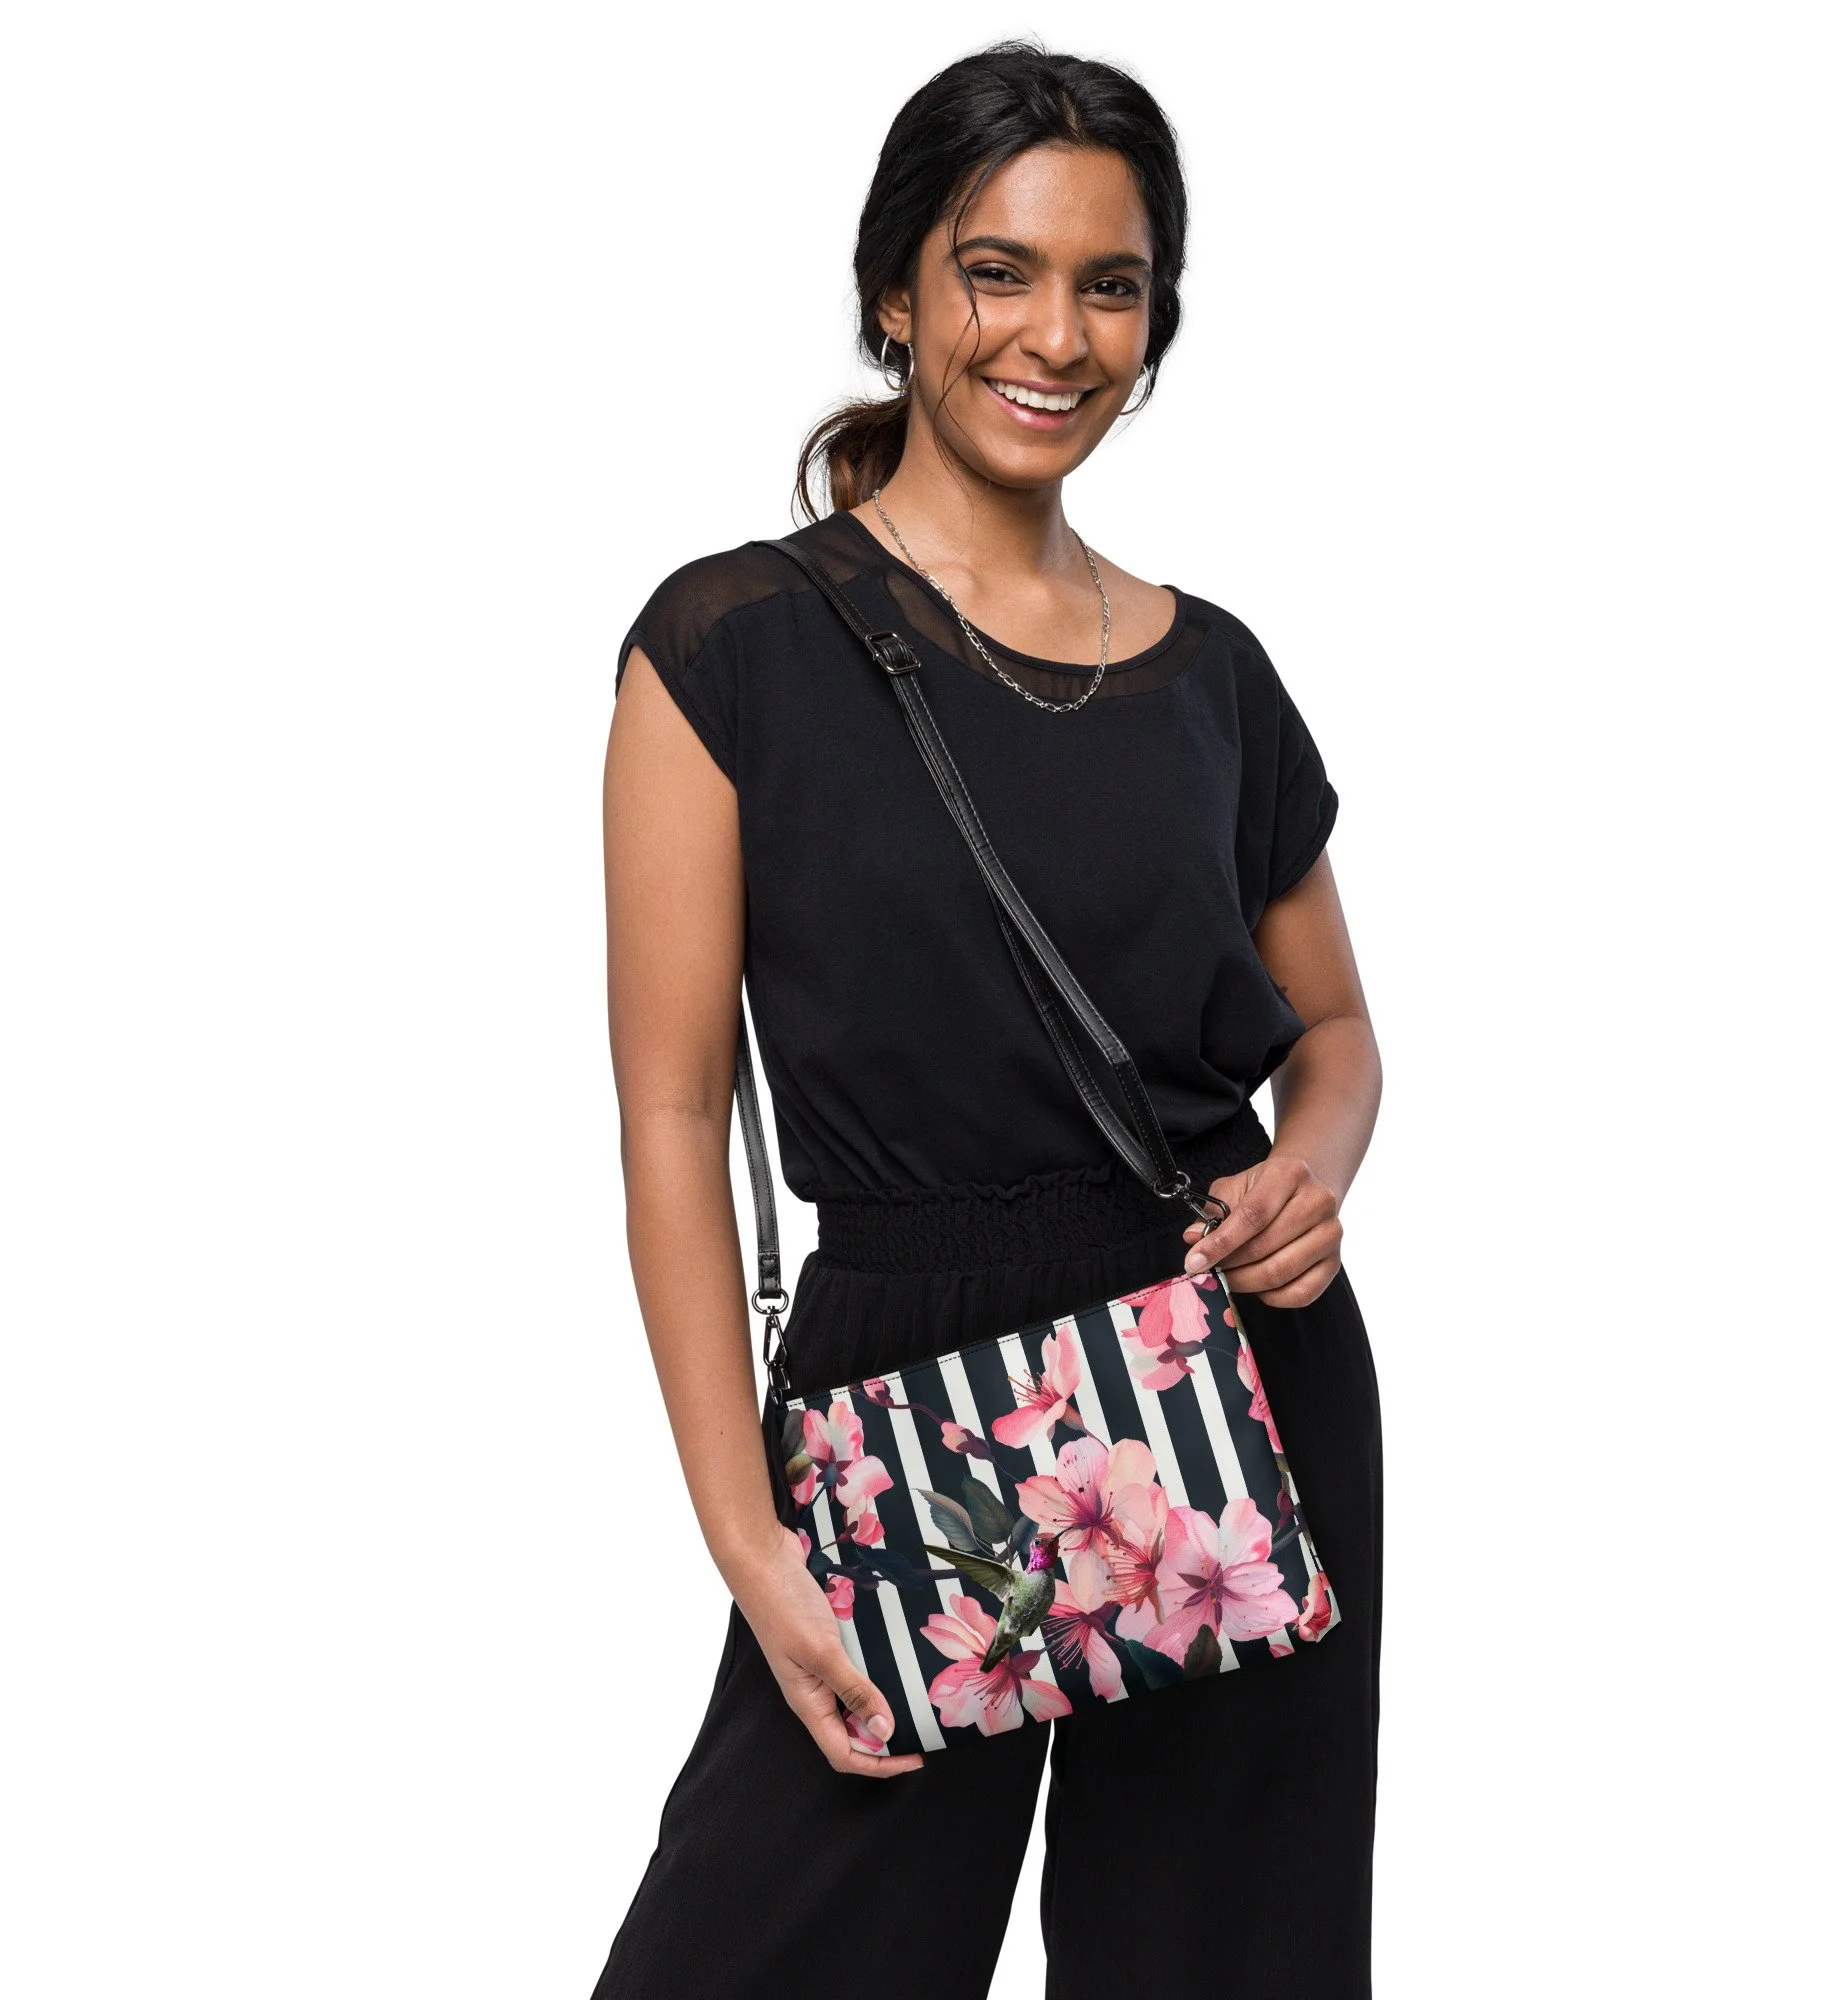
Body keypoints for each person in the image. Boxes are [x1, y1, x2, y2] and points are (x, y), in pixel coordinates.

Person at [593, 42, 1384, 1999]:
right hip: (907, 1389)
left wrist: (1312, 1166)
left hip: (1230, 1374)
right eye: (996, 270)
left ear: (1155, 325)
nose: (1054, 334)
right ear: (896, 293)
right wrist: (745, 1535)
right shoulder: (730, 645)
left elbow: (1336, 1032)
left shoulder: (1214, 673)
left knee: (1220, 1964)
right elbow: (673, 1114)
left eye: (1110, 285)